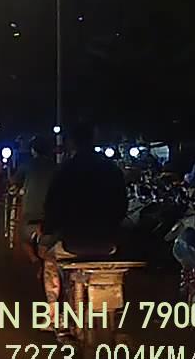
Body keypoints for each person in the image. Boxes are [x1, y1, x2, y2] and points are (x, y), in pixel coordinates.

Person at [39, 123, 128, 334]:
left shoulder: (65, 170)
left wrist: (47, 230)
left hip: (73, 242)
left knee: (49, 262)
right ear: (94, 139)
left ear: (71, 143)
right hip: (108, 243)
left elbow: (53, 207)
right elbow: (122, 205)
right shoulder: (111, 169)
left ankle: (53, 316)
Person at [20, 134, 58, 266]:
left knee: (24, 240)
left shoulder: (27, 165)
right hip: (52, 214)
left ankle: (34, 260)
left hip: (31, 213)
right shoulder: (55, 166)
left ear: (33, 150)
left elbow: (14, 181)